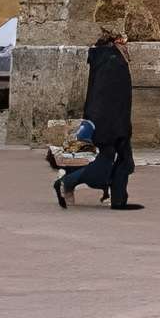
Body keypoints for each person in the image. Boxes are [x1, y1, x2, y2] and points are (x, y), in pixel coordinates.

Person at [53, 27, 141, 210]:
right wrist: (111, 127)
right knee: (110, 163)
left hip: (112, 123)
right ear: (115, 42)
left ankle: (117, 199)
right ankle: (68, 182)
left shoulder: (107, 60)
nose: (126, 46)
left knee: (122, 161)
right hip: (110, 125)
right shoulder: (112, 61)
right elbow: (106, 98)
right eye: (123, 41)